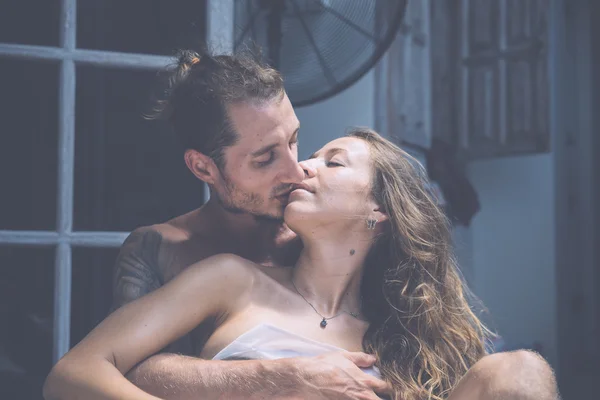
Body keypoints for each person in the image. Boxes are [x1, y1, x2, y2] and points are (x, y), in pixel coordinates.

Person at [43, 129, 560, 400]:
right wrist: (282, 378)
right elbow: (74, 374)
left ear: (378, 211)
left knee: (520, 370)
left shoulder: (404, 344)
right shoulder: (233, 279)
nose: (302, 167)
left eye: (332, 161)